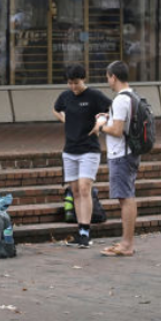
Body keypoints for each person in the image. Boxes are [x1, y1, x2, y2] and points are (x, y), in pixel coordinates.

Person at [52, 64, 112, 248]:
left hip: (89, 149)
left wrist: (100, 123)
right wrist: (64, 118)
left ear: (83, 80)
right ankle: (80, 230)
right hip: (70, 150)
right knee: (75, 191)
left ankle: (86, 231)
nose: (73, 87)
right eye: (70, 83)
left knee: (85, 188)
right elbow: (56, 108)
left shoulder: (94, 96)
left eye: (76, 83)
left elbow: (110, 109)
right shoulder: (65, 96)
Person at [97, 60, 139, 257]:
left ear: (113, 76)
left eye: (108, 77)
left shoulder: (121, 100)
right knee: (126, 196)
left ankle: (126, 244)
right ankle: (126, 241)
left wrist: (100, 126)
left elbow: (117, 130)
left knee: (126, 198)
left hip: (121, 155)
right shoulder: (131, 96)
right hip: (128, 153)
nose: (108, 81)